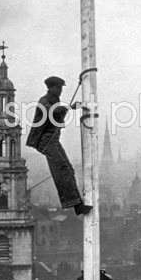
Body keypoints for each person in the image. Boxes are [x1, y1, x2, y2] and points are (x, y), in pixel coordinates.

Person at [26, 76, 92, 215]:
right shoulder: (44, 101)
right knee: (62, 170)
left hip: (53, 140)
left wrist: (70, 107)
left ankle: (76, 204)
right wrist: (71, 107)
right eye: (58, 88)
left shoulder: (54, 101)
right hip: (47, 141)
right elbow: (53, 111)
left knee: (67, 169)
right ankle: (76, 206)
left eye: (61, 88)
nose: (61, 91)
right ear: (51, 88)